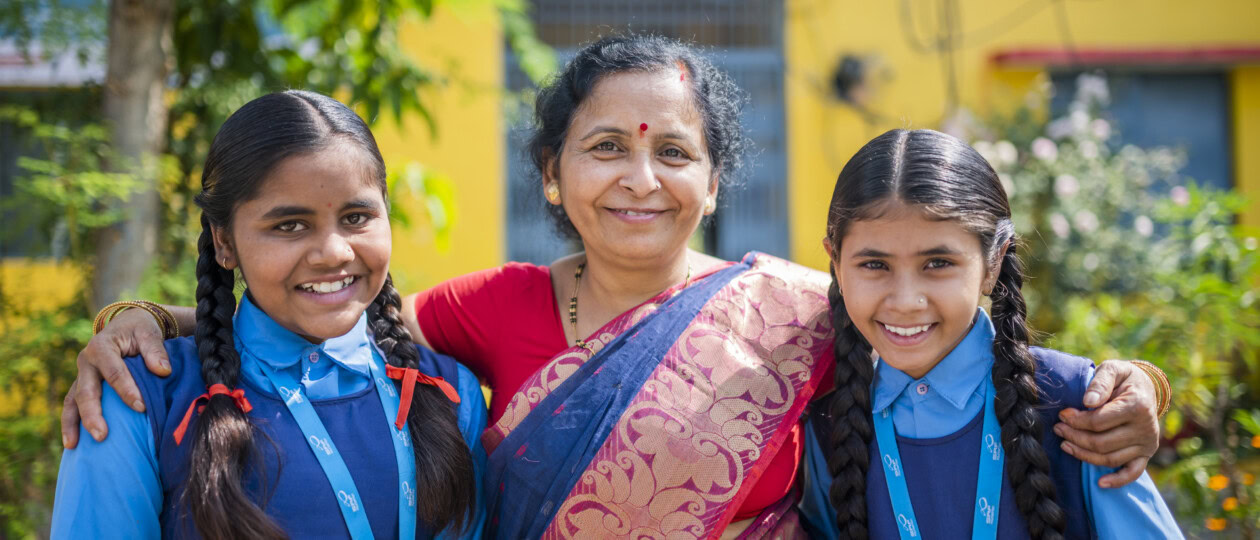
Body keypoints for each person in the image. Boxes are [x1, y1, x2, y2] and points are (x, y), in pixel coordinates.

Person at [61, 37, 1168, 538]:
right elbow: (327, 306)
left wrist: (1135, 386)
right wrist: (144, 322)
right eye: (604, 149)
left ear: (716, 177)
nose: (641, 179)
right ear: (550, 171)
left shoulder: (805, 307)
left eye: (674, 152)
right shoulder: (466, 321)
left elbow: (956, 338)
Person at [51, 91, 487, 539]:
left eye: (357, 217)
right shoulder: (141, 398)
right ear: (223, 242)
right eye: (289, 226)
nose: (334, 252)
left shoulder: (450, 395)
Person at [798, 129, 1180, 539]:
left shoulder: (1078, 407)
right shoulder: (828, 428)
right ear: (835, 263)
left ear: (993, 263)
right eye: (874, 265)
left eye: (938, 263)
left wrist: (1151, 384)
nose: (906, 301)